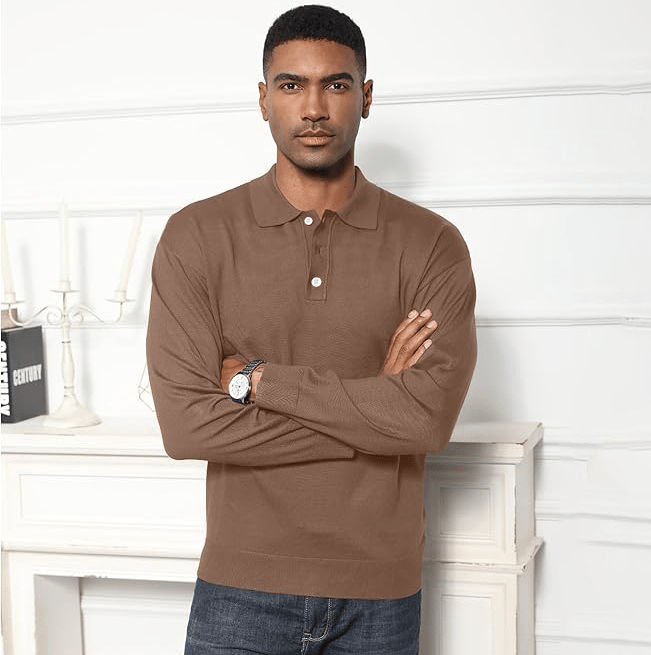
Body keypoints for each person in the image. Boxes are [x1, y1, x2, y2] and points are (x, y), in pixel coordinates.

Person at [146, 5, 477, 653]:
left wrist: (258, 380)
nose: (315, 108)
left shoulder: (431, 244)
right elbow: (187, 428)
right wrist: (373, 408)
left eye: (336, 84)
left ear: (366, 97)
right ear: (263, 99)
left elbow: (426, 422)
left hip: (380, 589)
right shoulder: (196, 236)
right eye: (292, 85)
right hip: (240, 582)